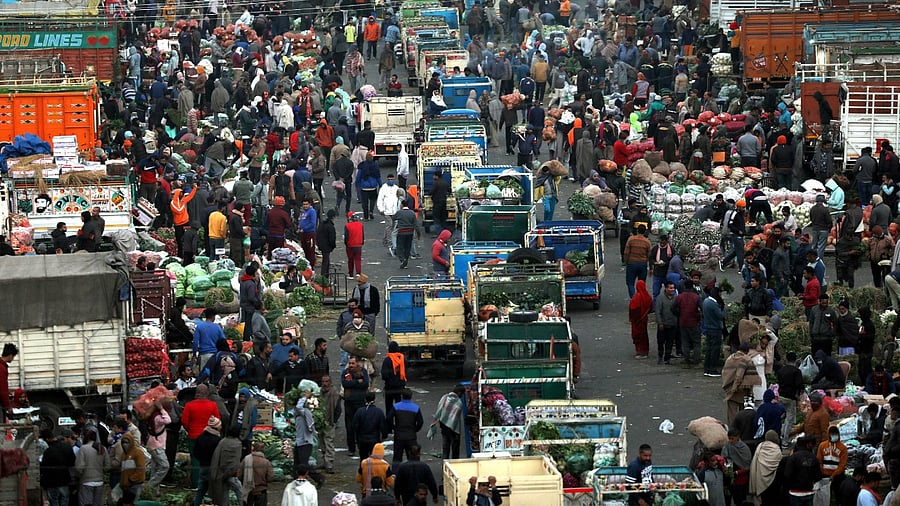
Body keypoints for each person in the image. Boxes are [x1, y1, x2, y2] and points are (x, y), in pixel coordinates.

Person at [181, 385, 221, 489]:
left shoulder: (189, 405)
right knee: (210, 459)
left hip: (193, 435)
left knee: (195, 459)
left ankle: (196, 484)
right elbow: (217, 420)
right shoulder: (212, 405)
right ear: (207, 393)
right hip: (209, 437)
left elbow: (184, 421)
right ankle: (208, 484)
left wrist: (189, 429)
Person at [293, 381, 324, 487]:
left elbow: (299, 407)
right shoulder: (299, 413)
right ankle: (297, 480)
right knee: (297, 463)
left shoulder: (306, 412)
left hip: (305, 442)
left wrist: (305, 397)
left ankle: (318, 478)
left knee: (303, 464)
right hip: (299, 441)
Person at [723, 342, 761, 425]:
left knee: (731, 413)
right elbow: (739, 375)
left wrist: (730, 387)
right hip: (741, 389)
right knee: (743, 412)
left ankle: (732, 431)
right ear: (747, 351)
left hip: (730, 389)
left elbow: (725, 372)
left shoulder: (730, 358)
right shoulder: (746, 359)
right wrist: (735, 386)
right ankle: (741, 430)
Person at [342, 356, 370, 458]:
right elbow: (345, 383)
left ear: (358, 363)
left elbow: (366, 384)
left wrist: (352, 384)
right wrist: (357, 382)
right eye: (350, 363)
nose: (351, 365)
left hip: (360, 403)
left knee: (361, 426)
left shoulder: (363, 372)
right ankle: (351, 448)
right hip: (349, 403)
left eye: (353, 363)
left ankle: (361, 446)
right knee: (349, 427)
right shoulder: (346, 372)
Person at [783, 436, 823, 506]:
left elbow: (787, 474)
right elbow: (818, 476)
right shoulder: (814, 458)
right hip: (809, 492)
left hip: (794, 493)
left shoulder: (793, 457)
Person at [428, 385, 466, 459]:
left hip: (443, 426)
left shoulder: (444, 397)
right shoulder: (458, 403)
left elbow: (439, 410)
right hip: (454, 430)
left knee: (445, 448)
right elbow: (455, 419)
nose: (462, 396)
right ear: (459, 393)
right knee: (455, 449)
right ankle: (454, 465)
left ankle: (445, 465)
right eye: (462, 394)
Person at [74, 428, 108, 506]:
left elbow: (79, 467)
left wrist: (78, 476)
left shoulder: (83, 449)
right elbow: (107, 466)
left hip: (86, 482)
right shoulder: (102, 448)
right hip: (99, 481)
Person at [192, 416, 222, 506]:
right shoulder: (217, 440)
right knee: (215, 491)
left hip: (203, 466)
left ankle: (196, 504)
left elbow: (195, 452)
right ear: (216, 427)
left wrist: (202, 459)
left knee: (201, 490)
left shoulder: (201, 437)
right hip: (213, 468)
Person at [41, 429, 76, 506]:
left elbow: (44, 468)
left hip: (52, 482)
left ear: (47, 439)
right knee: (65, 498)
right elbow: (72, 463)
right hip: (64, 479)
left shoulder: (48, 451)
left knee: (54, 500)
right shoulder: (67, 447)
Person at [777, 352, 805, 444]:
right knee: (789, 418)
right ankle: (785, 440)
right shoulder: (796, 371)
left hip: (781, 396)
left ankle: (779, 435)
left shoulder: (781, 370)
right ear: (795, 360)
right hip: (790, 398)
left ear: (787, 359)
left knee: (781, 417)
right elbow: (799, 385)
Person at [749, 430, 783, 504]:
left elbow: (755, 463)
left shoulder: (760, 446)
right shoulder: (777, 449)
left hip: (760, 478)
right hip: (773, 481)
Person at [352, 392, 386, 460]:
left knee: (363, 459)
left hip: (362, 440)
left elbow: (354, 426)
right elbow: (383, 426)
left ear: (365, 400)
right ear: (374, 400)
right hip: (374, 439)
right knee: (375, 460)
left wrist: (357, 438)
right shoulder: (379, 412)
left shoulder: (360, 411)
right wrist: (384, 436)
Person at [676, 280, 703, 367]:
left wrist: (679, 314)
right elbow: (702, 308)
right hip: (694, 322)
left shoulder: (679, 297)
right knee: (696, 343)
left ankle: (686, 360)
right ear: (692, 286)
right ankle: (696, 361)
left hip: (683, 322)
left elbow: (673, 308)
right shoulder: (696, 297)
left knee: (685, 342)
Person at [240, 440, 274, 506]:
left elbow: (239, 475)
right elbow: (270, 477)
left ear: (253, 449)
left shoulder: (246, 459)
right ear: (263, 450)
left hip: (248, 491)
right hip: (261, 491)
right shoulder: (266, 462)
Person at [818, 425, 848, 499]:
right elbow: (819, 460)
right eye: (832, 433)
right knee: (824, 496)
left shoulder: (843, 448)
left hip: (838, 476)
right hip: (824, 475)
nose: (834, 435)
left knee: (838, 495)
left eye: (835, 433)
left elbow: (842, 464)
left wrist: (834, 475)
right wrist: (822, 471)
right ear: (828, 434)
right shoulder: (822, 445)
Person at [703, 288, 727, 377]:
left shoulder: (706, 301)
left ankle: (707, 368)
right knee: (715, 350)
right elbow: (721, 316)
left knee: (709, 349)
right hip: (715, 328)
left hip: (708, 327)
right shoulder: (713, 304)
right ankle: (713, 369)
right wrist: (724, 308)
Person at [624, 224, 652, 298]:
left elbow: (626, 252)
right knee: (641, 283)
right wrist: (650, 267)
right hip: (642, 264)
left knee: (630, 283)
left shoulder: (631, 239)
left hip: (632, 263)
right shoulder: (647, 242)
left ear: (637, 230)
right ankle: (641, 299)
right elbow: (649, 255)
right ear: (645, 232)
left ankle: (633, 298)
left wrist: (626, 262)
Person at [655, 281, 678, 364]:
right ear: (666, 288)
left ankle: (667, 357)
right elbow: (658, 311)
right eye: (670, 288)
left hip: (672, 324)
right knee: (660, 341)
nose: (672, 289)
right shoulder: (660, 298)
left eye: (673, 288)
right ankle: (660, 356)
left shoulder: (676, 298)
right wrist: (660, 323)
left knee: (670, 342)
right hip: (663, 324)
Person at [628, 280, 652, 359]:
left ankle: (640, 351)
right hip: (644, 319)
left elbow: (633, 309)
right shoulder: (647, 296)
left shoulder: (636, 298)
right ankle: (645, 351)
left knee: (637, 335)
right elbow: (650, 307)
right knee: (644, 335)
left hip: (637, 321)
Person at [0, 343, 18, 422]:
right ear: (10, 355)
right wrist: (8, 406)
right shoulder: (2, 367)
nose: (13, 359)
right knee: (1, 429)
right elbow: (2, 388)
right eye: (13, 356)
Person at [317, 209, 337, 277]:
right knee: (325, 262)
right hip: (327, 246)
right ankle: (323, 276)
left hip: (321, 245)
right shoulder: (330, 226)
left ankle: (326, 275)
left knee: (326, 260)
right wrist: (333, 246)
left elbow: (318, 234)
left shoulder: (322, 224)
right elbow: (332, 238)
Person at [345, 212, 365, 278]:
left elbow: (346, 237)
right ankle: (358, 273)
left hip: (350, 245)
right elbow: (362, 234)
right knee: (358, 259)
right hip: (358, 244)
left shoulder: (347, 226)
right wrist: (362, 242)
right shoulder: (360, 225)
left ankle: (351, 274)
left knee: (350, 260)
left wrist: (346, 243)